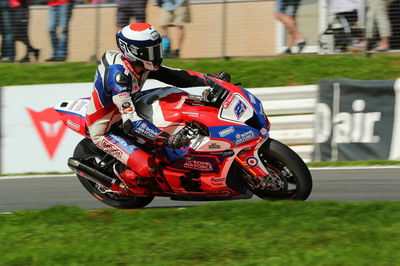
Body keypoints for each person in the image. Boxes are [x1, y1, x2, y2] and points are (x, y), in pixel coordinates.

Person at [86, 22, 225, 183]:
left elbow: (175, 76)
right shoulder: (119, 78)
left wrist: (211, 80)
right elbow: (130, 122)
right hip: (107, 128)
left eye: (157, 49)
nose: (156, 55)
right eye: (150, 51)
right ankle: (122, 178)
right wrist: (166, 138)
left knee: (178, 99)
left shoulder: (138, 63)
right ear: (133, 52)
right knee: (150, 169)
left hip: (130, 102)